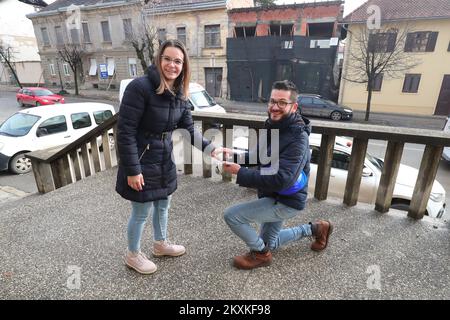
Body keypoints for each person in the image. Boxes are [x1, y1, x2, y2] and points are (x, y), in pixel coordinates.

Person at [116, 39, 215, 274]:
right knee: (141, 211)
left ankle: (160, 244)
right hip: (141, 160)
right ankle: (132, 255)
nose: (172, 65)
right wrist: (133, 169)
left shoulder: (180, 94)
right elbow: (125, 132)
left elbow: (188, 129)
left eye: (178, 61)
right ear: (159, 60)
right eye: (167, 59)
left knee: (164, 204)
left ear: (184, 66)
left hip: (164, 159)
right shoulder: (139, 88)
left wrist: (212, 149)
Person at [219, 80, 333, 270]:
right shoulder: (272, 125)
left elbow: (283, 179)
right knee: (269, 242)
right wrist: (234, 155)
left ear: (294, 106)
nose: (275, 107)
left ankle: (261, 255)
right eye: (272, 101)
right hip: (273, 194)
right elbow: (259, 155)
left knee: (232, 216)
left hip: (286, 199)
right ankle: (316, 228)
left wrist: (241, 173)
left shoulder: (298, 137)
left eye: (282, 102)